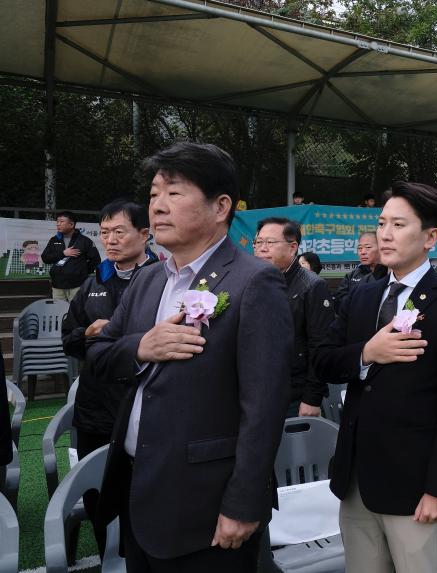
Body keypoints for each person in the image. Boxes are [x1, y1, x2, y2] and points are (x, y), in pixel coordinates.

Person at [88, 142, 293, 572]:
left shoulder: (255, 283)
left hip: (207, 505)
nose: (158, 206)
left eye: (174, 193)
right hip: (139, 490)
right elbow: (100, 356)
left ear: (220, 207)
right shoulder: (147, 280)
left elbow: (264, 407)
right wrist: (142, 346)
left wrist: (243, 504)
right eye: (153, 195)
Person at [313, 181, 437, 573]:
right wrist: (366, 353)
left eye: (399, 225)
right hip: (356, 478)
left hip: (415, 484)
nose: (385, 234)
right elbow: (323, 361)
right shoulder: (361, 296)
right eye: (382, 223)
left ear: (431, 237)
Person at [61, 199, 158, 557]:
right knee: (98, 494)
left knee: (148, 494)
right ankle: (107, 556)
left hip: (145, 406)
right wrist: (87, 332)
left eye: (119, 231)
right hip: (96, 409)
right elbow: (69, 340)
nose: (110, 240)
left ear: (144, 234)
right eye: (104, 233)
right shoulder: (92, 284)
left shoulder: (165, 281)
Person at [253, 217, 334, 417]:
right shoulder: (252, 280)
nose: (262, 248)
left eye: (270, 243)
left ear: (292, 248)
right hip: (256, 390)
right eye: (258, 242)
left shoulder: (312, 286)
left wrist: (311, 398)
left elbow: (320, 345)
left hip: (293, 394)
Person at [41, 211, 101, 301]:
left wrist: (81, 272)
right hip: (57, 285)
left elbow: (95, 260)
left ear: (71, 224)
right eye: (57, 222)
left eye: (61, 221)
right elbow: (45, 258)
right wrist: (63, 253)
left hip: (77, 285)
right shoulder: (54, 240)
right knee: (59, 312)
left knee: (76, 311)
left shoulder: (84, 241)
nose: (58, 224)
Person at [333, 232, 387, 310]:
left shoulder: (390, 272)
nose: (363, 252)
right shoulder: (351, 276)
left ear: (381, 248)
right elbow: (339, 302)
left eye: (368, 247)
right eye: (360, 248)